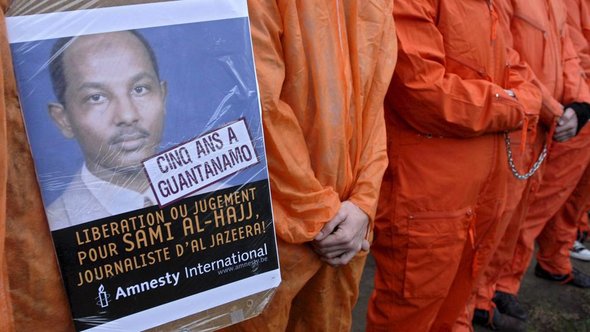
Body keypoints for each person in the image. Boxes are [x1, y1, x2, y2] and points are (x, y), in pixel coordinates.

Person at [366, 1, 545, 331]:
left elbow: (520, 72)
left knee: (459, 306)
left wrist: (513, 100)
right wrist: (513, 104)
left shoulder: (486, 6)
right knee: (409, 315)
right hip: (428, 204)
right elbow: (425, 93)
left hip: (481, 200)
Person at [223, 0, 397, 331]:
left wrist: (364, 202)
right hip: (276, 227)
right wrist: (326, 215)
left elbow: (376, 102)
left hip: (341, 229)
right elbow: (256, 107)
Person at [471, 0, 590, 330]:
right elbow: (507, 58)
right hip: (513, 122)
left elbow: (566, 49)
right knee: (498, 219)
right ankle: (480, 297)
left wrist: (580, 104)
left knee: (520, 213)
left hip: (543, 124)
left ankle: (499, 289)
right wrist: (555, 108)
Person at [46, 30, 167, 230]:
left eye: (140, 89)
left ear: (163, 97)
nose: (127, 116)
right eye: (96, 98)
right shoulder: (52, 230)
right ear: (63, 119)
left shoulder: (221, 202)